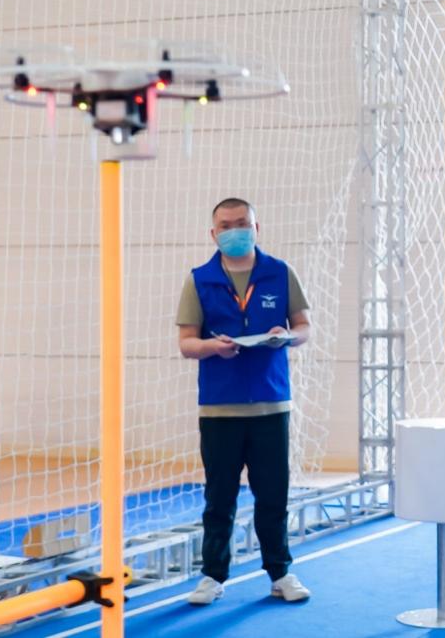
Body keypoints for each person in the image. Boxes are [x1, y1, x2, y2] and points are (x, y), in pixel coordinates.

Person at [177, 198, 313, 605]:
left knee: (273, 494)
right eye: (226, 225)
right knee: (219, 498)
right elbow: (186, 343)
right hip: (220, 407)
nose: (234, 231)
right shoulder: (199, 280)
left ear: (256, 228)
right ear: (213, 233)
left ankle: (280, 572)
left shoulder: (280, 273)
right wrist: (212, 347)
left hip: (271, 404)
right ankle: (212, 575)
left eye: (242, 223)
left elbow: (304, 327)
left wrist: (286, 336)